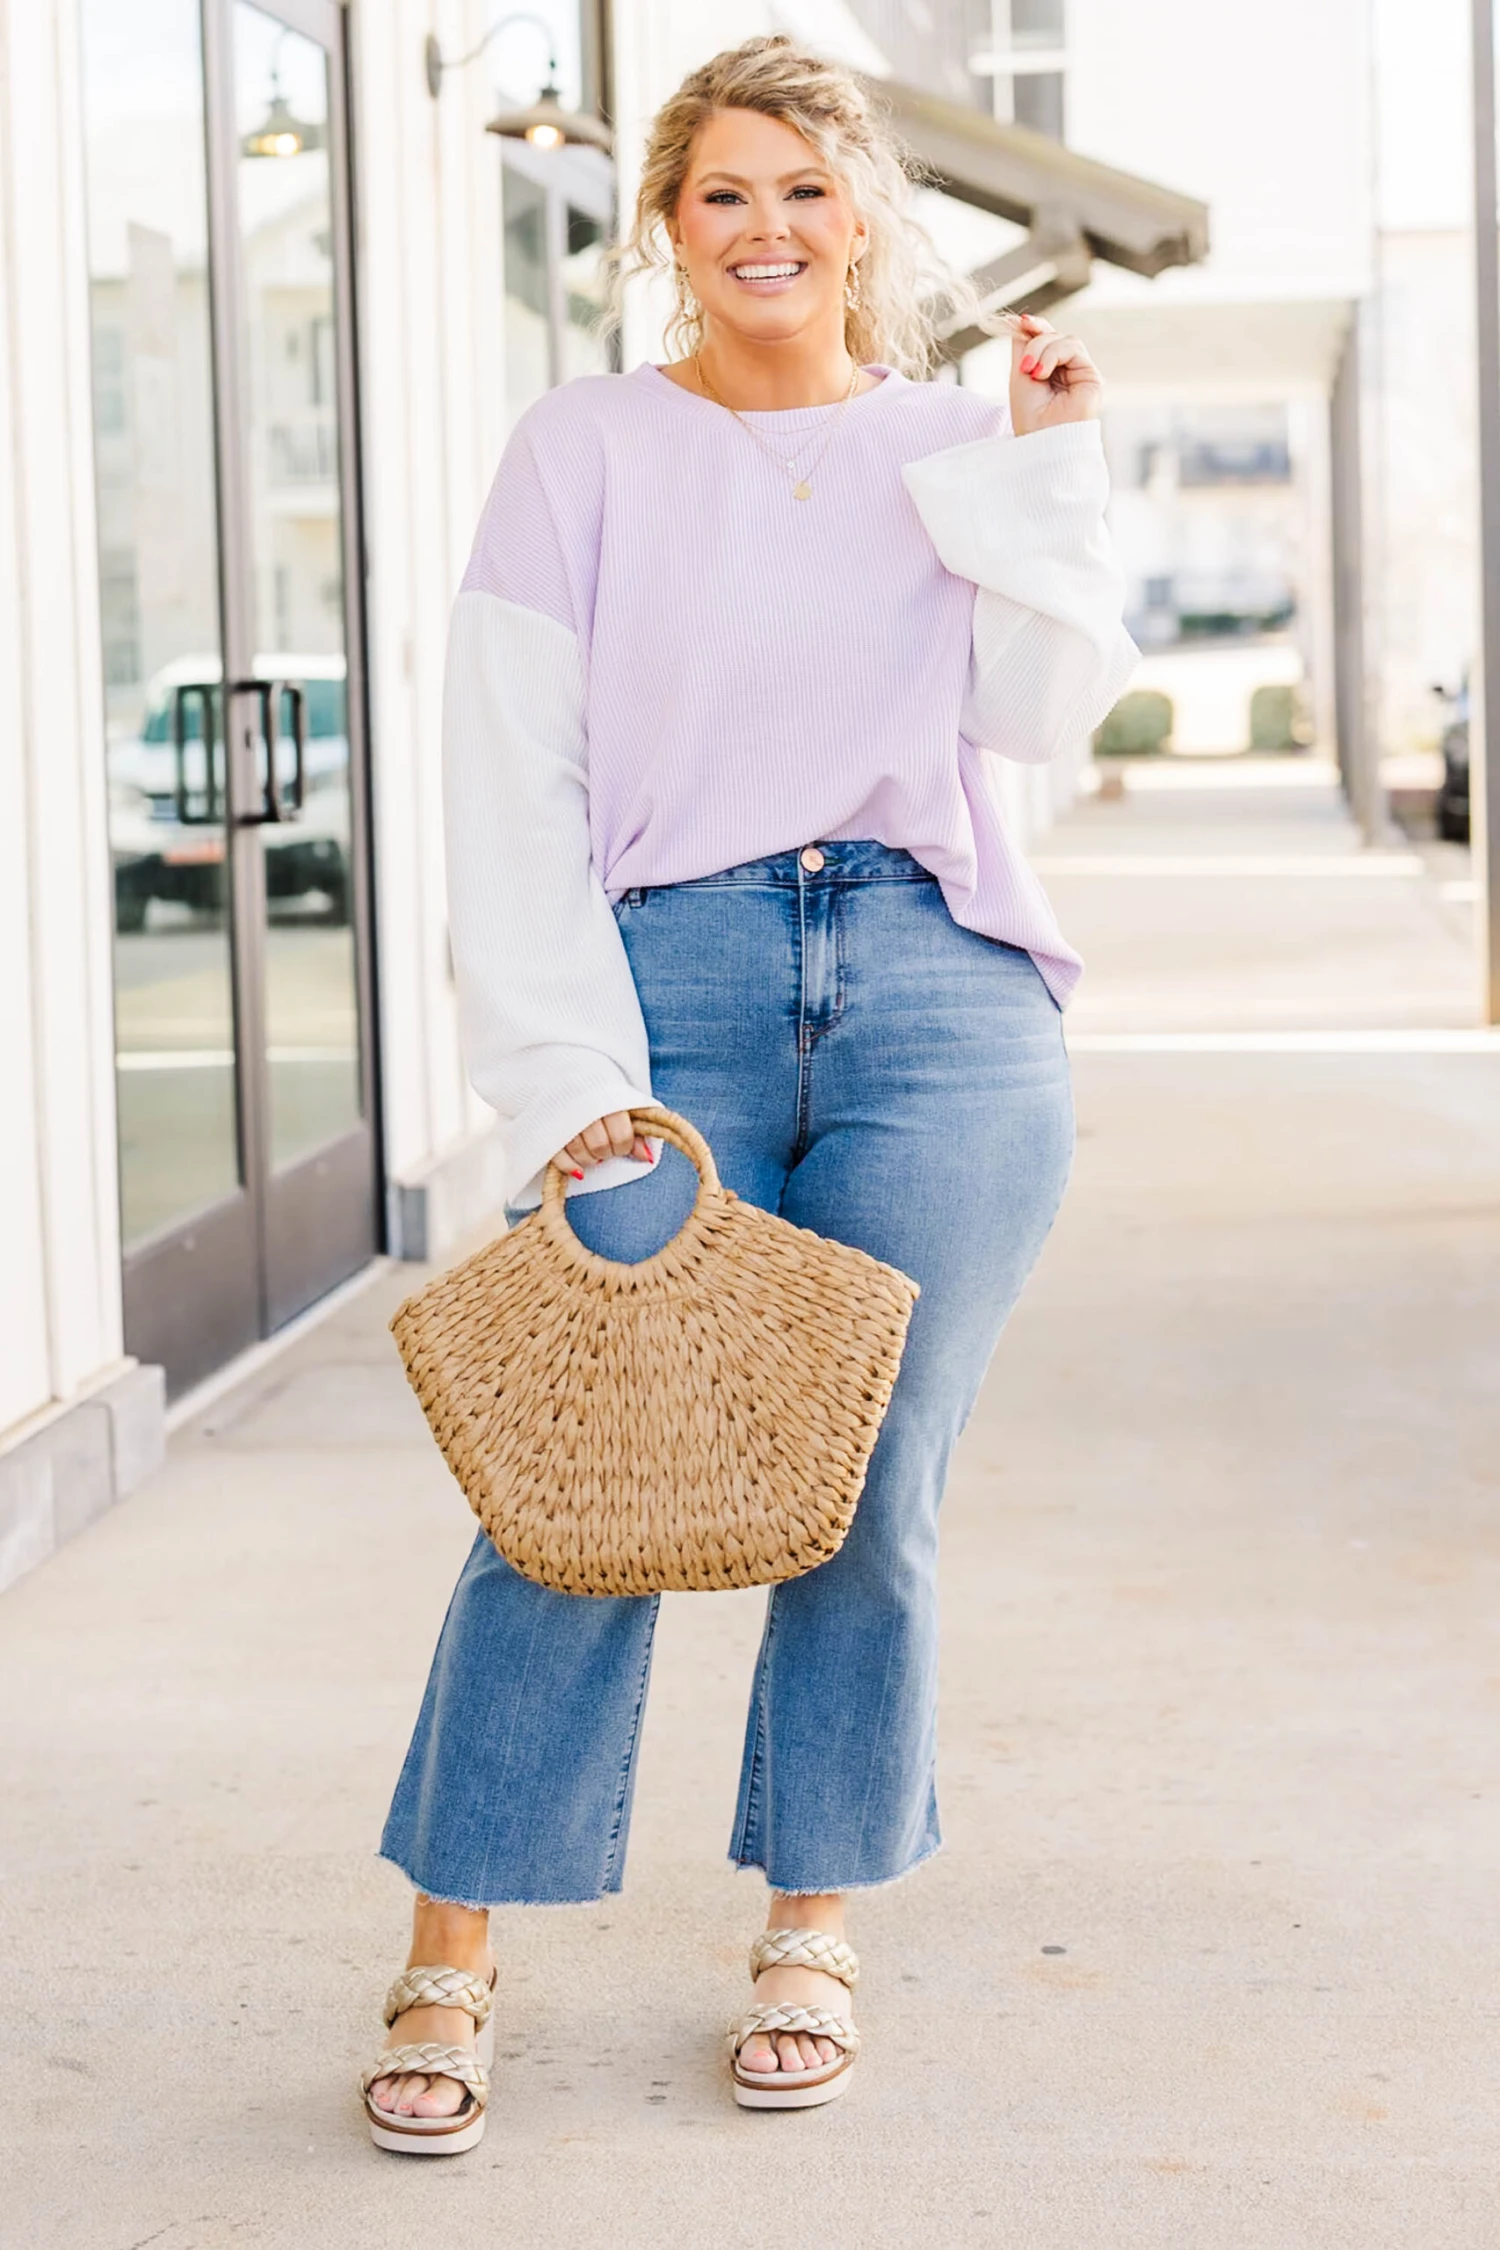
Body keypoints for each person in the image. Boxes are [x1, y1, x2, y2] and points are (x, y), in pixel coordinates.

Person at [362, 34, 1135, 2150]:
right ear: (669, 226)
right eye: (723, 191)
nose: (766, 226)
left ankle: (812, 1925)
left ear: (864, 213)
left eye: (804, 186)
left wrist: (1056, 470)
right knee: (577, 1481)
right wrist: (564, 1075)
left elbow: (1037, 716)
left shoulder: (960, 438)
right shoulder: (585, 446)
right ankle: (452, 1945)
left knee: (872, 1494)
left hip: (937, 990)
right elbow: (506, 777)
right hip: (670, 981)